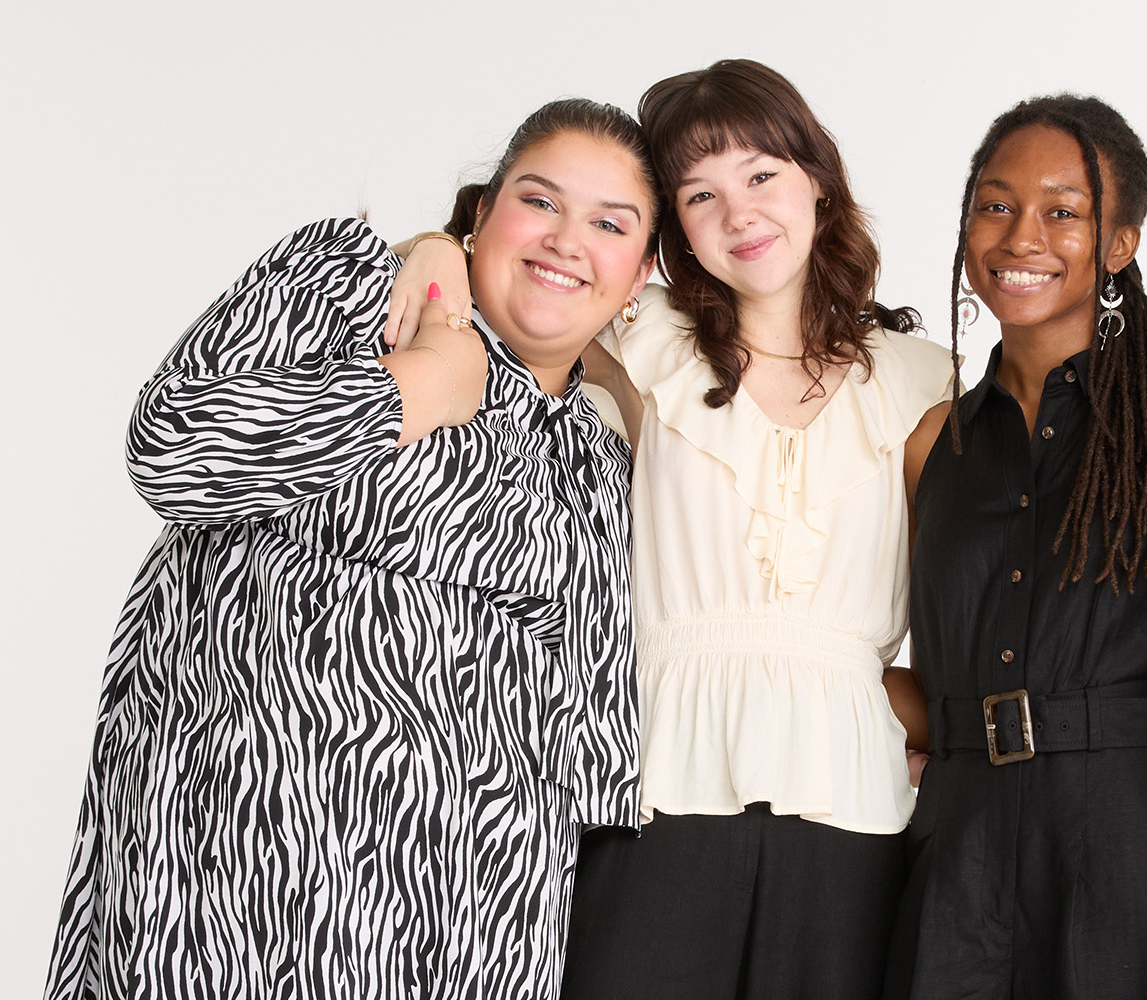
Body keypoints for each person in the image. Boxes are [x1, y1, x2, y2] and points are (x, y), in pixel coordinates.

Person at [46, 98, 660, 1000]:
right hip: (236, 893)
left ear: (640, 273)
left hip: (478, 929)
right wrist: (409, 388)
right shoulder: (345, 288)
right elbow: (171, 451)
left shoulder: (599, 455)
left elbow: (597, 761)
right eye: (540, 200)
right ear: (481, 214)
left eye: (610, 224)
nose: (569, 240)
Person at [387, 58, 951, 1000]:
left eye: (762, 175)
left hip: (855, 813)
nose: (740, 215)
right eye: (700, 194)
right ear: (673, 232)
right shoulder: (635, 339)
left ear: (817, 177)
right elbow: (511, 280)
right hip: (649, 795)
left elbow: (984, 587)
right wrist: (438, 246)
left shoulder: (922, 378)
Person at [885, 94, 1147, 1000]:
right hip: (955, 845)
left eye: (1064, 211)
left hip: (1122, 843)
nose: (1020, 237)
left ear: (1121, 243)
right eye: (995, 204)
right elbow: (920, 674)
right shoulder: (933, 441)